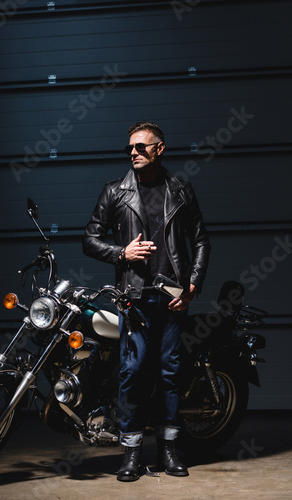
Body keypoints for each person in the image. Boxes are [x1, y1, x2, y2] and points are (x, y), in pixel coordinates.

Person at [82, 121, 210, 481]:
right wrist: (122, 252)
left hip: (172, 297)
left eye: (141, 147)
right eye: (130, 149)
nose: (134, 153)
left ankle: (169, 450)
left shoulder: (181, 191)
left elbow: (201, 241)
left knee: (171, 372)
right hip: (133, 297)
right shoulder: (115, 191)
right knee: (132, 373)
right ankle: (132, 453)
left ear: (160, 149)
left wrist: (193, 285)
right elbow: (89, 239)